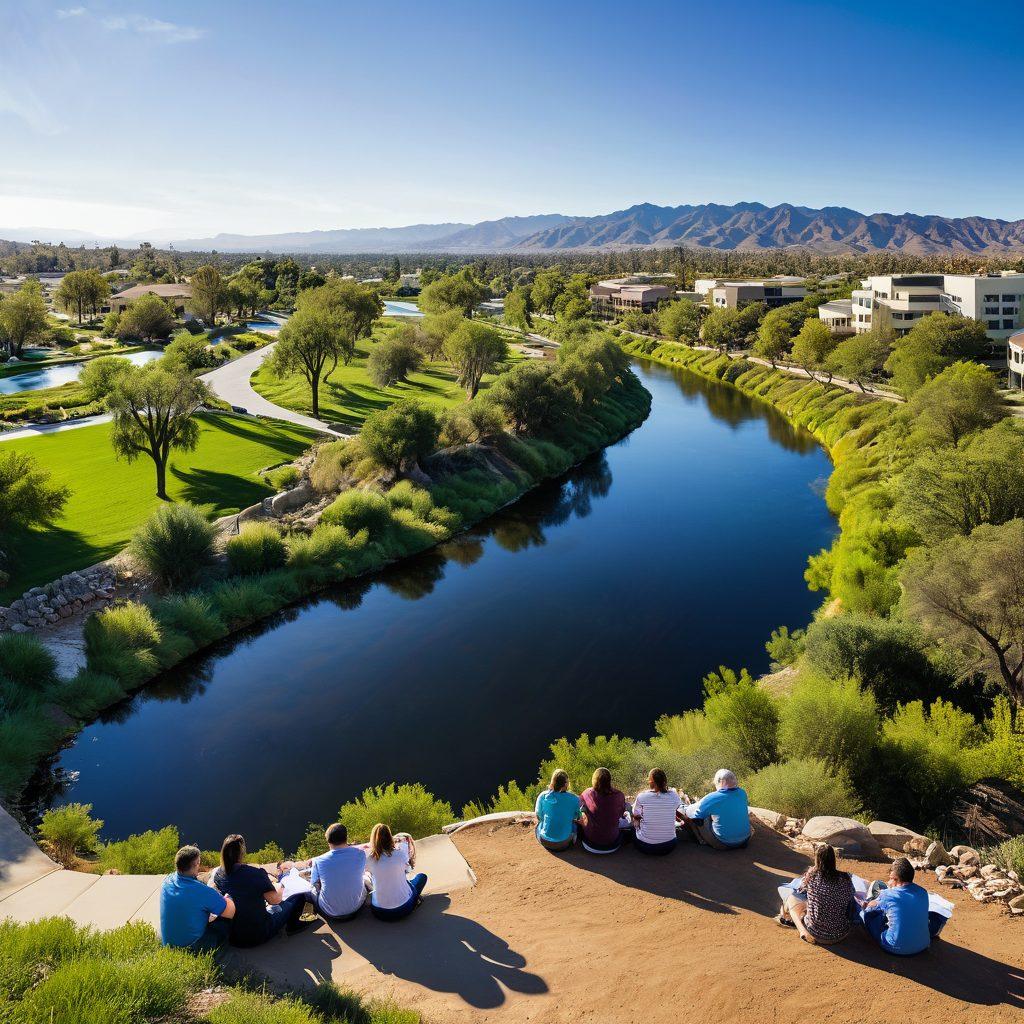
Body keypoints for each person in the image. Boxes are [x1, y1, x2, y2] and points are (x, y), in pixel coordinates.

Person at [210, 834, 311, 947]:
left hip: (234, 937)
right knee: (297, 898)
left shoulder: (219, 875)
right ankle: (294, 926)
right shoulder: (256, 874)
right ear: (242, 852)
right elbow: (275, 900)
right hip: (259, 934)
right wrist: (281, 887)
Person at [859, 856, 944, 955]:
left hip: (895, 947)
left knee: (866, 914)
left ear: (895, 879)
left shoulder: (887, 894)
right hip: (922, 946)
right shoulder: (923, 891)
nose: (889, 882)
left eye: (890, 879)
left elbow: (870, 906)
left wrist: (866, 905)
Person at [160, 845, 235, 953]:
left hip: (168, 944)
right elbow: (230, 912)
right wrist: (229, 897)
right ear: (196, 864)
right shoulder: (202, 891)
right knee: (224, 923)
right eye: (199, 862)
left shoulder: (167, 880)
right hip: (191, 948)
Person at [777, 844, 856, 945]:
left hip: (815, 933)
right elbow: (851, 894)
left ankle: (801, 930)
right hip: (841, 933)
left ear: (817, 859)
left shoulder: (813, 875)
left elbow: (801, 889)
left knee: (792, 898)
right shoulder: (846, 877)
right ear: (833, 860)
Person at [293, 822, 369, 921]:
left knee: (312, 888)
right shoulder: (360, 854)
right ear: (346, 838)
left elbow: (314, 883)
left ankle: (308, 914)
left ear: (328, 841)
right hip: (357, 908)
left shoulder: (319, 861)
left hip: (330, 913)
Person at [365, 823, 428, 921]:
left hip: (379, 913)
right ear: (390, 837)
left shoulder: (369, 859)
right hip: (404, 909)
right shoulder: (400, 854)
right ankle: (415, 900)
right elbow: (408, 870)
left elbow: (369, 871)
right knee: (421, 877)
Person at [681, 768, 751, 849]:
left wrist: (685, 808)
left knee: (702, 816)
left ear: (718, 782)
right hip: (745, 839)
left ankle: (701, 841)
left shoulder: (713, 798)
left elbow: (693, 814)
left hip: (723, 842)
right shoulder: (742, 793)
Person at [631, 768, 682, 854]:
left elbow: (636, 814)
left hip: (646, 846)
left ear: (651, 782)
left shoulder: (642, 796)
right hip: (669, 846)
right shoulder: (674, 795)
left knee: (633, 828)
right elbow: (675, 807)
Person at [578, 767, 628, 854]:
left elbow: (578, 806)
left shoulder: (587, 793)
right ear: (609, 780)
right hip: (613, 845)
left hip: (590, 844)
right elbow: (621, 815)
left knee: (581, 814)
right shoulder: (619, 795)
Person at [535, 769, 582, 853]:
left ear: (552, 781)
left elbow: (539, 816)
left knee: (538, 825)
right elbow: (577, 817)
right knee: (574, 825)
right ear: (566, 783)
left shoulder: (543, 796)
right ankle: (573, 839)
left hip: (545, 842)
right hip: (564, 844)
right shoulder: (574, 799)